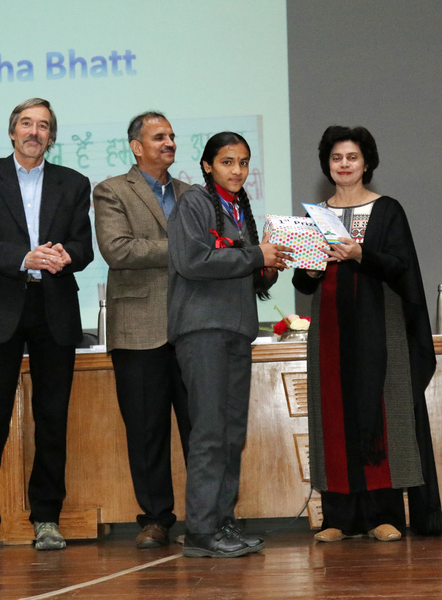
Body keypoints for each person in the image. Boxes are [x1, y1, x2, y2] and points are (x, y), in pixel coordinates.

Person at [0, 98, 93, 553]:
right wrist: (23, 258)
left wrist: (67, 255)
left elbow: (84, 247)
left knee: (51, 418)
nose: (35, 132)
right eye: (27, 124)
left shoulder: (74, 183)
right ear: (12, 132)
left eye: (44, 126)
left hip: (54, 307)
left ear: (52, 137)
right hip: (0, 305)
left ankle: (47, 517)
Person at [293, 125, 442, 543]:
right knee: (333, 415)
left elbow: (401, 266)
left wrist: (361, 253)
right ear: (327, 164)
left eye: (352, 157)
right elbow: (303, 282)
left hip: (381, 327)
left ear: (366, 163)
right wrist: (311, 269)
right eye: (336, 157)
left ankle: (385, 515)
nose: (344, 164)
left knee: (382, 412)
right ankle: (337, 518)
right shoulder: (313, 216)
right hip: (329, 330)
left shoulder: (387, 209)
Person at [167, 132, 292, 558]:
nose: (237, 170)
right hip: (202, 330)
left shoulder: (239, 208)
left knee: (231, 433)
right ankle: (201, 531)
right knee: (209, 431)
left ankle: (222, 522)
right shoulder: (194, 202)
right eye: (227, 162)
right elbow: (193, 261)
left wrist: (270, 267)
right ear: (207, 166)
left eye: (243, 162)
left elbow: (242, 272)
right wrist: (257, 255)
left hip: (237, 330)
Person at [93, 111, 191, 549]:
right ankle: (155, 519)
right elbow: (118, 250)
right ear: (136, 147)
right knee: (146, 431)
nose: (169, 142)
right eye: (159, 137)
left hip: (192, 326)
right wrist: (186, 249)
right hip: (138, 329)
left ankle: (208, 516)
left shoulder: (192, 194)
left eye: (171, 136)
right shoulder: (112, 190)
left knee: (201, 429)